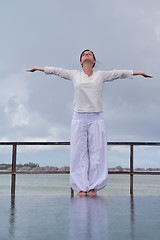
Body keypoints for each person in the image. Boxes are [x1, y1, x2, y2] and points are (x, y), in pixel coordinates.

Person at [27, 49, 152, 197]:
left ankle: (93, 187)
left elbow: (120, 73)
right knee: (78, 153)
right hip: (79, 117)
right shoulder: (75, 75)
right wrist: (38, 68)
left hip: (96, 117)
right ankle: (81, 187)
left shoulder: (100, 75)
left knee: (97, 152)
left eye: (90, 54)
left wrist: (139, 72)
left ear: (93, 61)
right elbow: (56, 71)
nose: (87, 54)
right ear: (81, 61)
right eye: (84, 54)